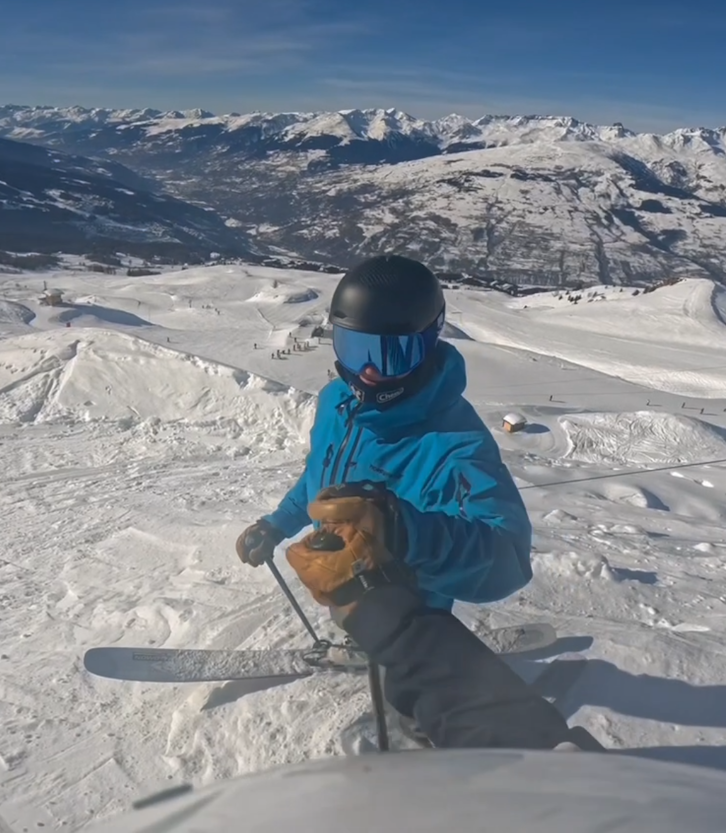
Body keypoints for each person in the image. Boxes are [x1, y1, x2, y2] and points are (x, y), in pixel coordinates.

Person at [236, 254, 596, 751]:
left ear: (428, 345)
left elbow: (507, 557)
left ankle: (419, 745)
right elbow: (317, 482)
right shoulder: (336, 403)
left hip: (414, 607)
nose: (367, 374)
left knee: (407, 692)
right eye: (354, 347)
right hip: (345, 577)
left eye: (390, 356)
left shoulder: (455, 442)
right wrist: (277, 523)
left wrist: (402, 532)